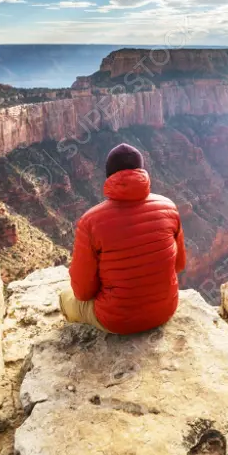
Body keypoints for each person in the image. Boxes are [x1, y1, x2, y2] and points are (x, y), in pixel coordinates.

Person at [60, 143, 187, 334]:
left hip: (117, 321)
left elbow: (83, 292)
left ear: (109, 175)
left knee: (65, 297)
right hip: (165, 310)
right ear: (142, 171)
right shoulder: (168, 207)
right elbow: (179, 265)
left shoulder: (90, 221)